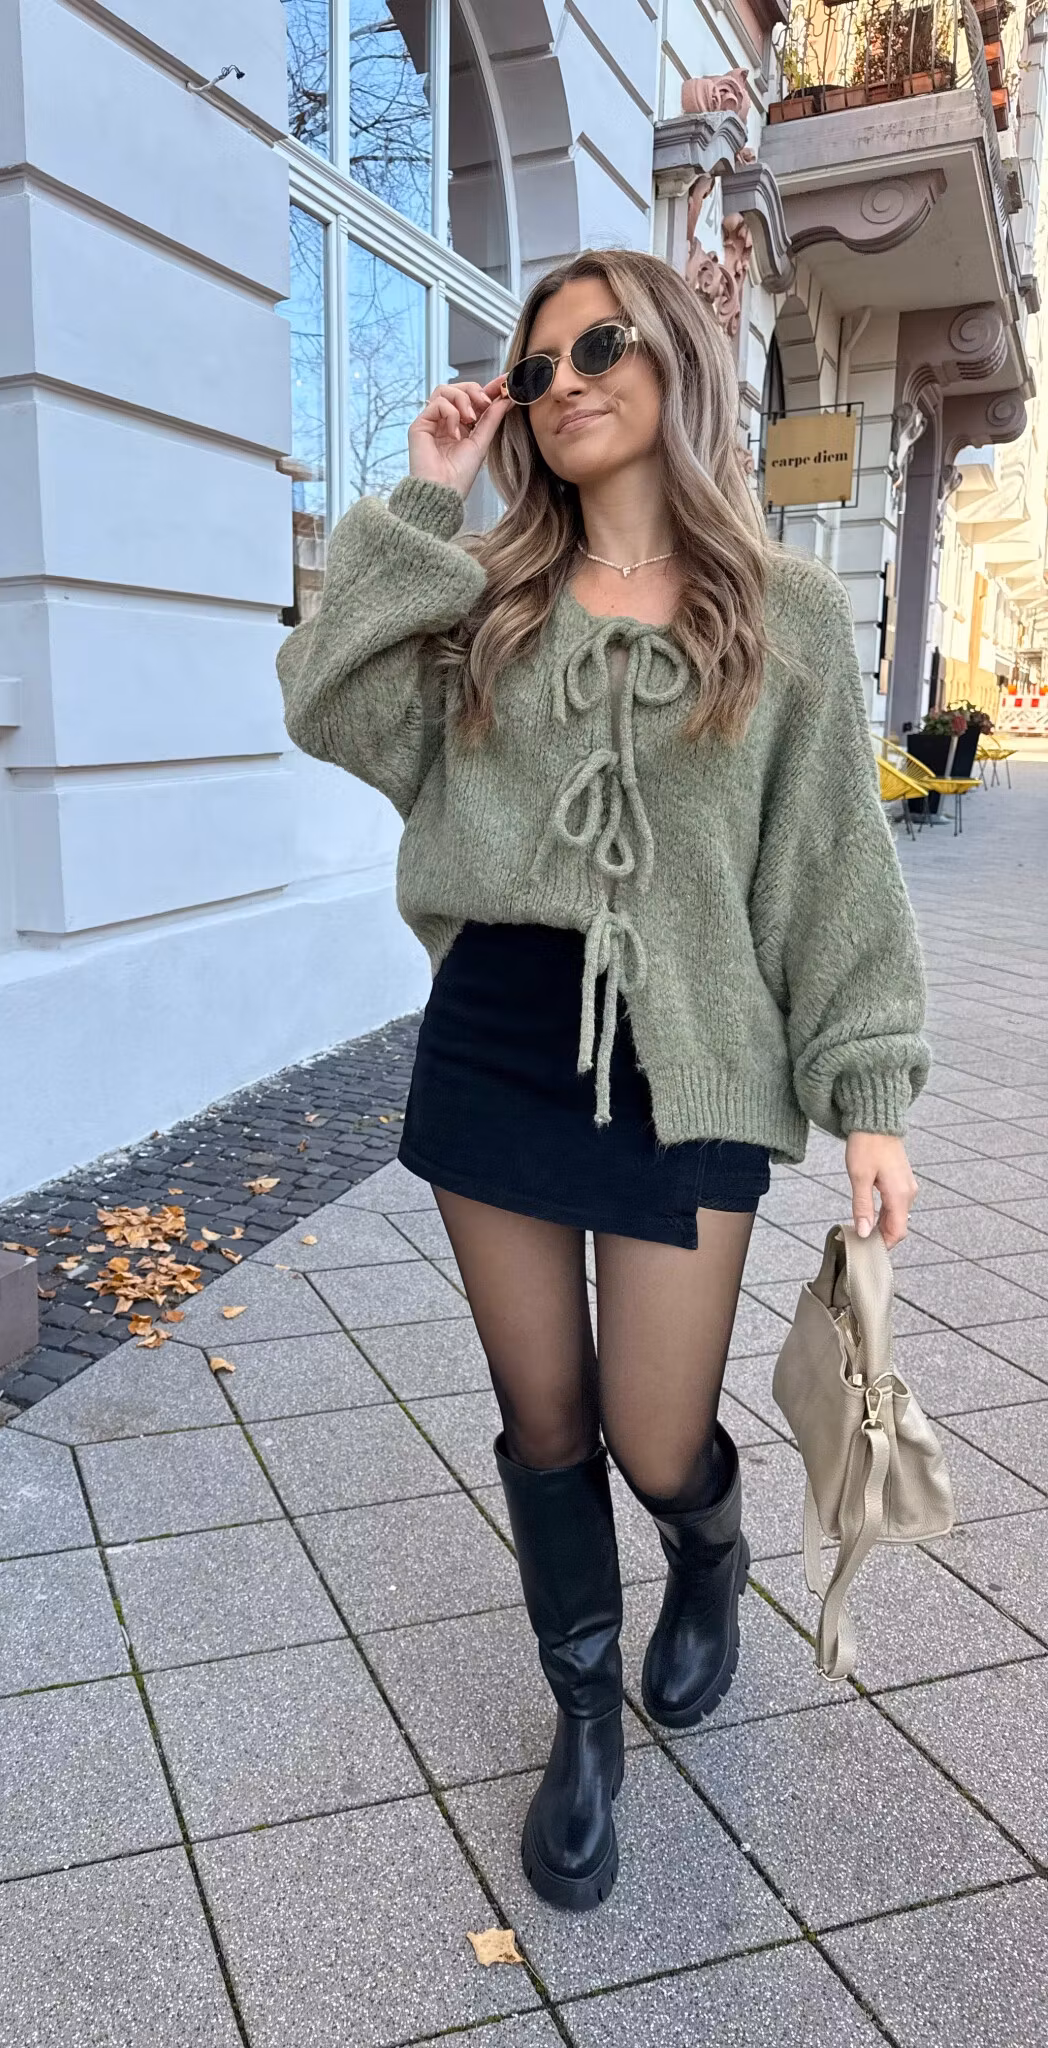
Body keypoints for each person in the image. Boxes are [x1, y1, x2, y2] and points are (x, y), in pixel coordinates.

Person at [276, 250, 927, 1913]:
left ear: (676, 361)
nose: (564, 380)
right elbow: (328, 704)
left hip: (690, 1059)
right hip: (499, 1041)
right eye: (537, 364)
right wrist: (424, 504)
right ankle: (582, 1721)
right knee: (545, 1420)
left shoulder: (781, 614)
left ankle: (706, 1546)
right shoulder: (488, 600)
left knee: (651, 1432)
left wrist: (869, 1096)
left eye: (601, 345)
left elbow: (828, 869)